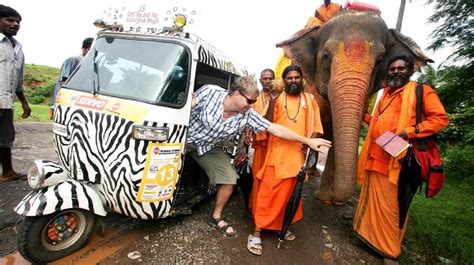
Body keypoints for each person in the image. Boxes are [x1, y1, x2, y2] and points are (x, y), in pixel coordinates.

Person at [187, 76, 331, 238]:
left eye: (254, 101)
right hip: (183, 139)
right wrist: (189, 108)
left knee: (229, 179)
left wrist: (307, 140)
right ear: (236, 93)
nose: (253, 105)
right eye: (250, 101)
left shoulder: (247, 114)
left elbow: (275, 128)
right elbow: (182, 107)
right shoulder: (210, 92)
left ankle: (216, 217)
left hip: (208, 147)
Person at [353, 55, 448, 264]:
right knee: (370, 201)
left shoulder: (420, 91)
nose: (396, 71)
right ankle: (368, 237)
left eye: (401, 68)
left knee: (391, 207)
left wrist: (410, 131)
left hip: (400, 161)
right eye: (393, 68)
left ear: (410, 70)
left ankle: (389, 250)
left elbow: (440, 119)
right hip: (375, 156)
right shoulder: (385, 94)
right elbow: (378, 125)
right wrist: (364, 117)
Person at [247, 65, 324, 256]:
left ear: (302, 79)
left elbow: (315, 125)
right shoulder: (278, 97)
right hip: (276, 154)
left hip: (298, 155)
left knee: (290, 195)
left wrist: (310, 144)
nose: (293, 81)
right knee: (268, 192)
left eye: (297, 77)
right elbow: (266, 122)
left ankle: (280, 224)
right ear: (284, 80)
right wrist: (272, 101)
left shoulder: (309, 99)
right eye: (289, 78)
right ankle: (257, 231)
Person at [0, 5, 31, 182]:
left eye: (18, 22)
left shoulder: (17, 49)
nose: (15, 24)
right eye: (10, 20)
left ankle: (7, 172)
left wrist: (24, 103)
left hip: (6, 101)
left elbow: (18, 81)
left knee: (5, 138)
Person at [52, 37, 93, 103]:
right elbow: (64, 81)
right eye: (89, 49)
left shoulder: (91, 65)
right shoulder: (73, 60)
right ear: (85, 49)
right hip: (66, 99)